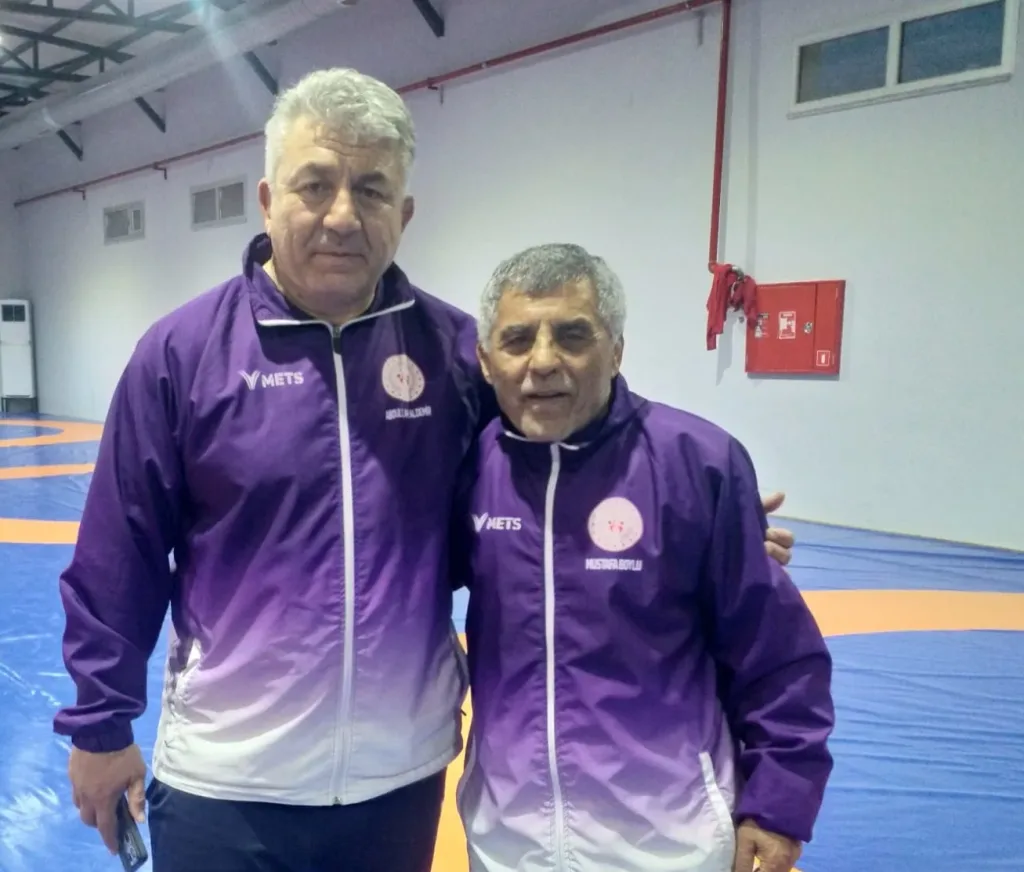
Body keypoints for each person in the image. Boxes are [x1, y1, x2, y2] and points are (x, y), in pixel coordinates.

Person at [52, 68, 796, 871]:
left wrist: (696, 512)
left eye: (372, 190)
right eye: (315, 185)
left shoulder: (453, 353)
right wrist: (99, 723)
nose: (343, 215)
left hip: (396, 777)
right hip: (225, 777)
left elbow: (555, 455)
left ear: (403, 215)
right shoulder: (182, 355)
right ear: (267, 201)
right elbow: (119, 551)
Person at [451, 243, 835, 872]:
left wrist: (778, 804)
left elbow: (777, 655)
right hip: (507, 839)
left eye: (572, 335)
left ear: (617, 350)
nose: (543, 361)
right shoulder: (468, 469)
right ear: (487, 362)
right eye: (517, 340)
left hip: (671, 842)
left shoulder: (698, 465)